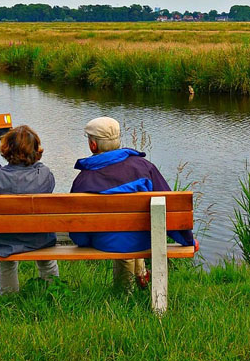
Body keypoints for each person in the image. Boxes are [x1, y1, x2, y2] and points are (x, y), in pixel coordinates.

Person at [70, 116, 194, 290]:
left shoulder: (83, 180)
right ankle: (140, 276)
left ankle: (124, 293)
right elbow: (171, 209)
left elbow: (77, 226)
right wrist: (188, 240)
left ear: (93, 145)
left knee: (120, 236)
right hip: (145, 240)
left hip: (105, 242)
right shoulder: (144, 168)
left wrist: (84, 242)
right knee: (130, 231)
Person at [0, 121, 58, 294]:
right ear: (36, 151)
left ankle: (8, 296)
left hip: (1, 241)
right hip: (39, 239)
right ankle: (53, 292)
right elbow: (37, 165)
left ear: (5, 150)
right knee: (47, 257)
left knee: (5, 258)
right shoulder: (44, 174)